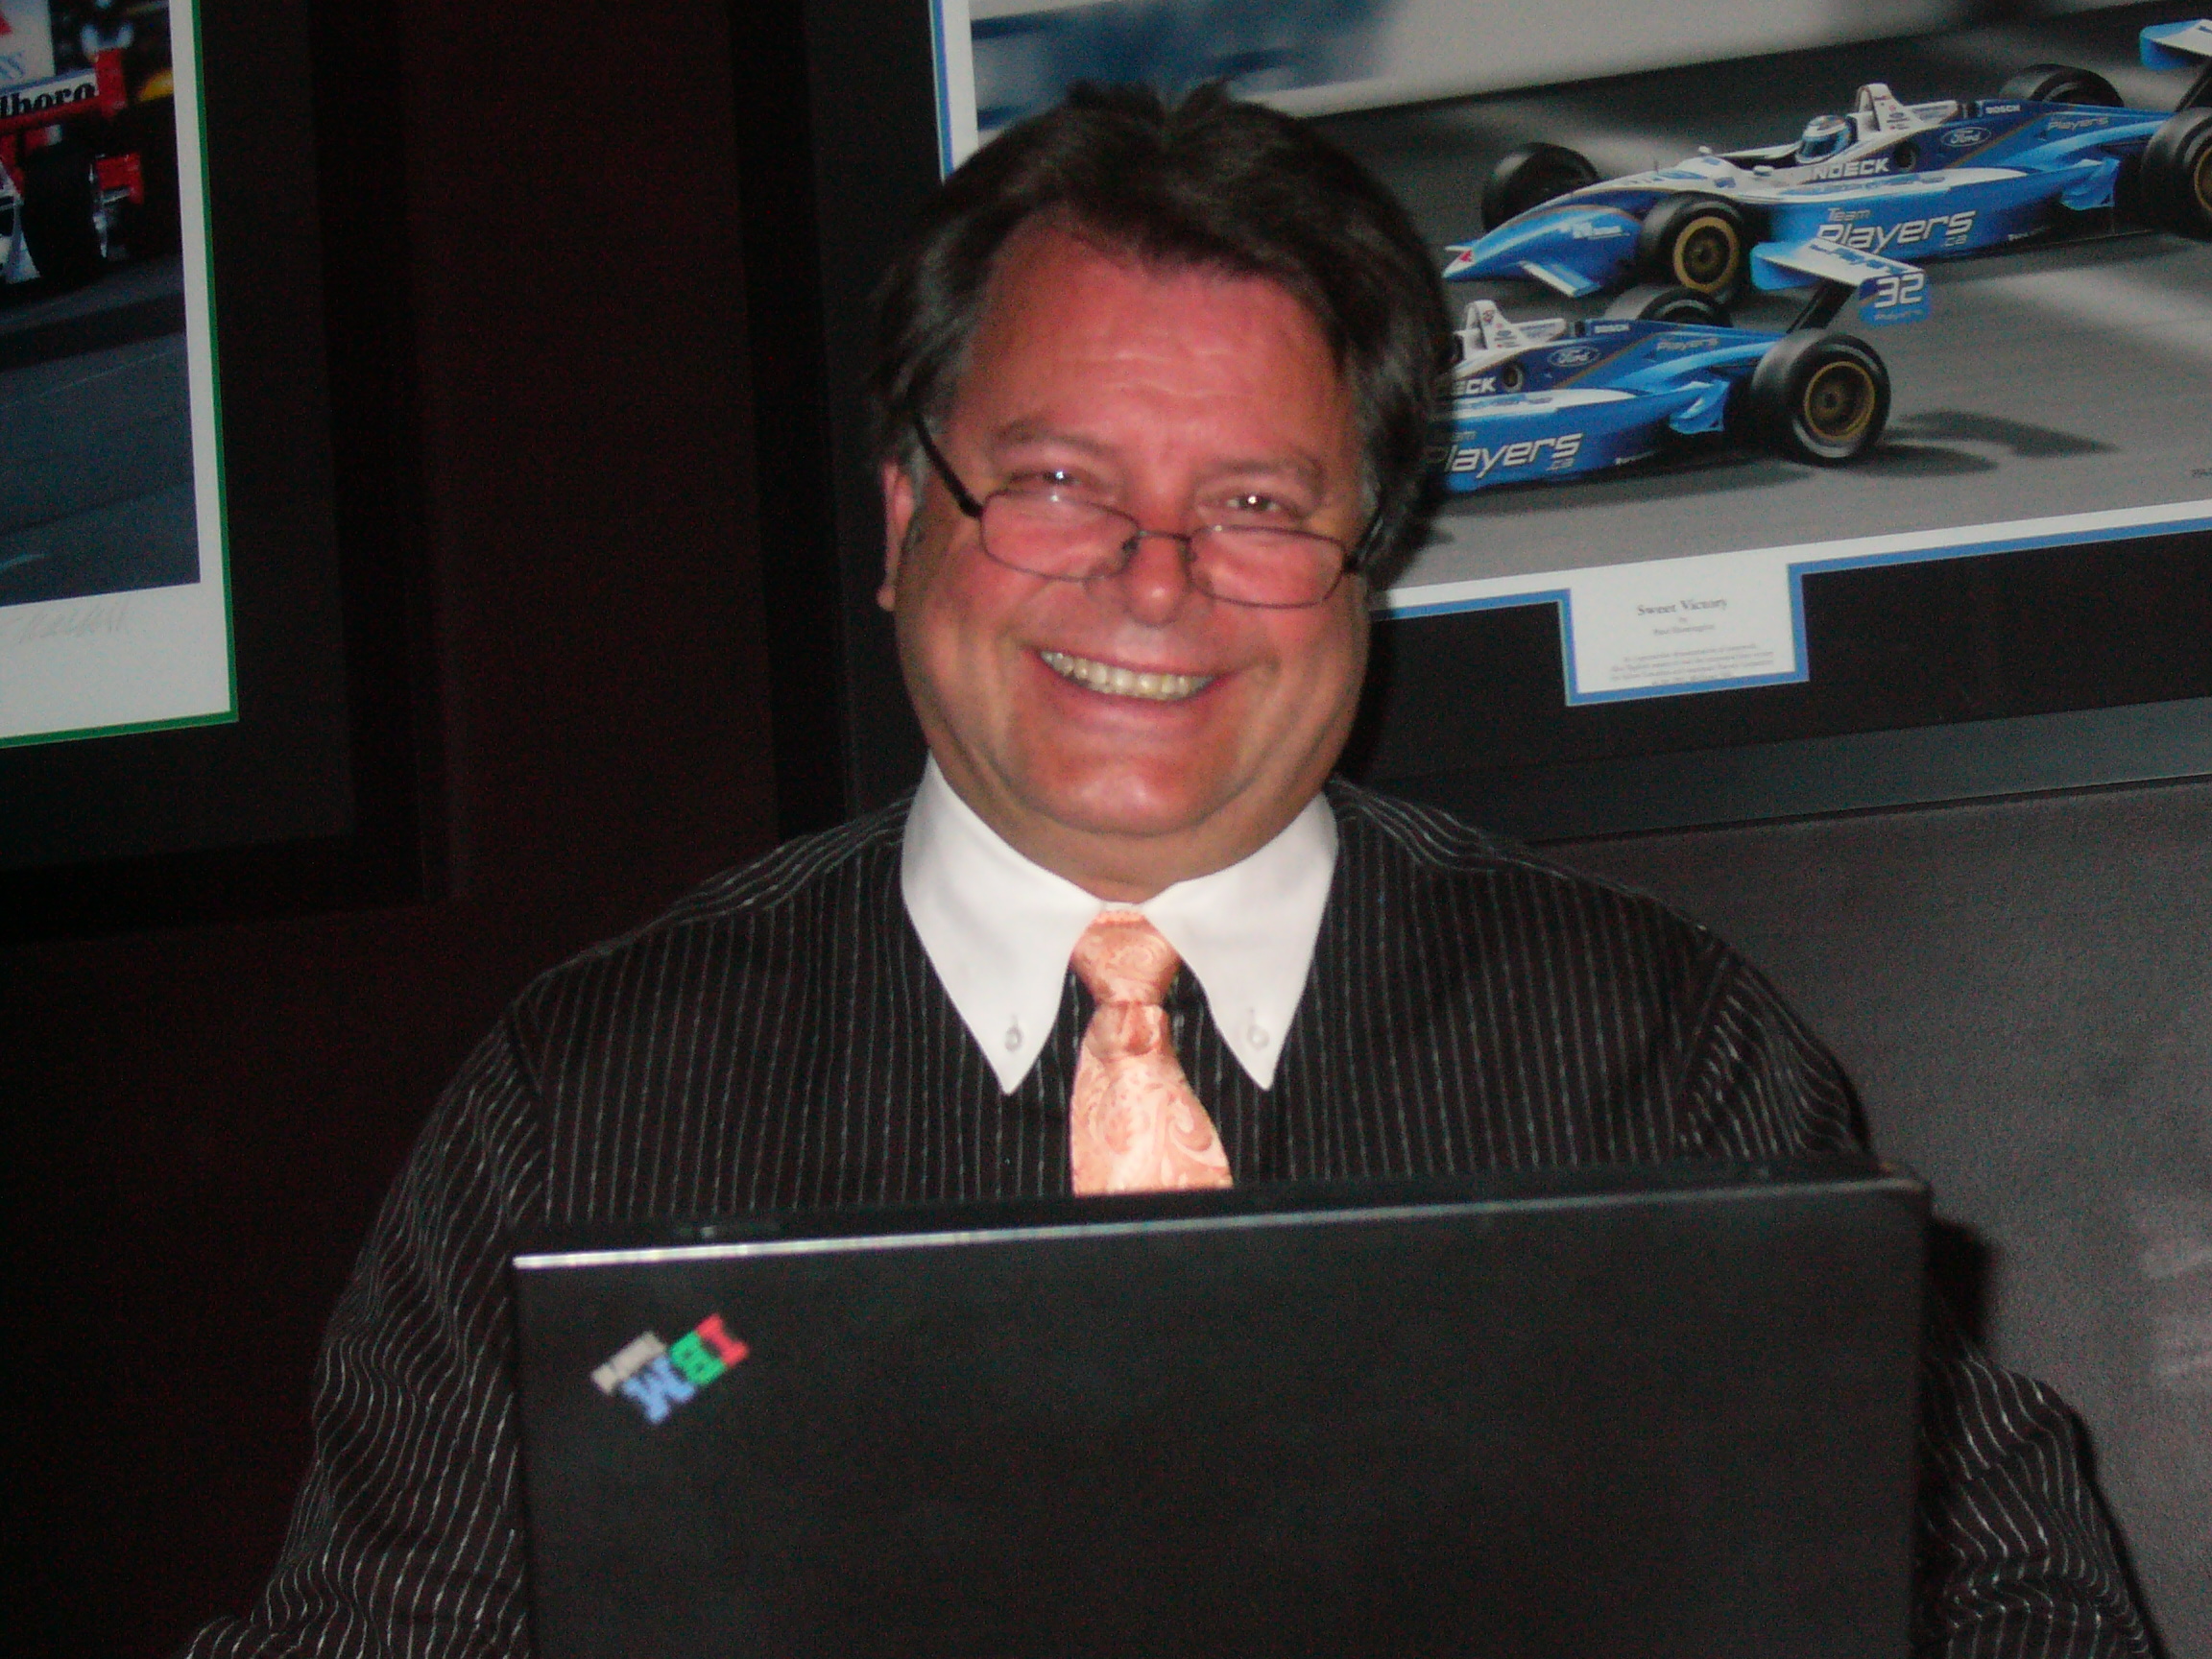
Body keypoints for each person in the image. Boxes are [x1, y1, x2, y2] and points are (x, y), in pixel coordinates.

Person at [182, 84, 2151, 1656]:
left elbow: (2017, 1605)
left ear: (1366, 564)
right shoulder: (590, 1100)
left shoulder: (1656, 1055)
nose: (1154, 578)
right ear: (901, 523)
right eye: (1055, 482)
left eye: (1258, 506)